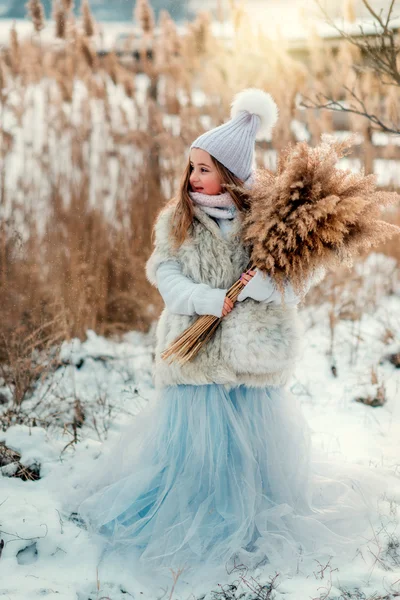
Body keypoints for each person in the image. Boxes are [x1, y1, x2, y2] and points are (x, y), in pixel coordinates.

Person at [72, 89, 394, 593]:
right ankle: (193, 512)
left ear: (231, 173)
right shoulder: (175, 220)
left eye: (205, 168)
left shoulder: (263, 222)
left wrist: (266, 285)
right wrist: (206, 299)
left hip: (250, 358)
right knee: (199, 448)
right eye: (191, 167)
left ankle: (248, 514)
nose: (194, 177)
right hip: (194, 353)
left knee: (251, 449)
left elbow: (297, 278)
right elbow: (164, 274)